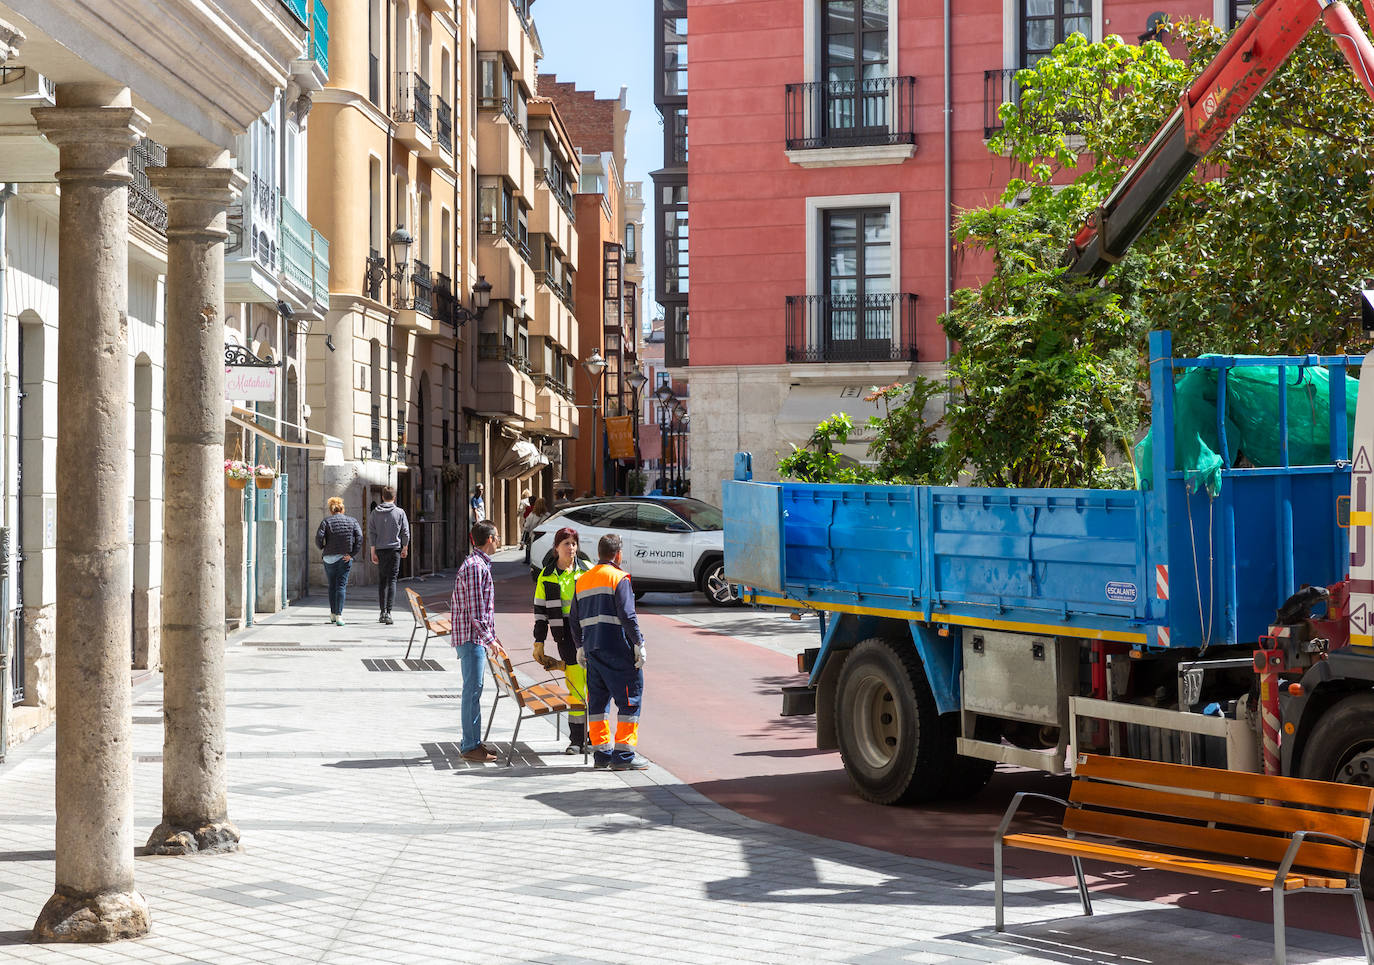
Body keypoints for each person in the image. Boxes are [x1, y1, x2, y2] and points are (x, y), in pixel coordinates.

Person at [570, 533, 650, 771]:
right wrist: (639, 642)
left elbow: (574, 618)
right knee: (630, 701)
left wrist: (579, 646)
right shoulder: (619, 578)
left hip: (593, 651)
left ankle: (602, 754)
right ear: (618, 553)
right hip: (617, 649)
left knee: (598, 703)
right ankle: (623, 757)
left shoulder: (583, 579)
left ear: (599, 553)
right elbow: (627, 614)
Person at [532, 527, 592, 752]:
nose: (572, 548)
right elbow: (540, 612)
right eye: (566, 543)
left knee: (594, 684)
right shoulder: (546, 575)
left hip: (589, 633)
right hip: (565, 636)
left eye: (574, 543)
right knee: (576, 685)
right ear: (556, 548)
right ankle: (577, 739)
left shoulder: (587, 570)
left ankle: (594, 736)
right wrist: (539, 641)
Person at [452, 519, 501, 763]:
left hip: (474, 639)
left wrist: (491, 638)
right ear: (490, 539)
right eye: (498, 536)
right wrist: (490, 640)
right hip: (472, 639)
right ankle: (470, 744)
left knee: (474, 690)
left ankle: (473, 741)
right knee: (472, 691)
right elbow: (475, 612)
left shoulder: (478, 564)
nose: (499, 540)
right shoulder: (475, 567)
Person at [316, 496, 362, 626]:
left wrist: (323, 548)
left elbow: (318, 538)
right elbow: (360, 538)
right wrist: (352, 554)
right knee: (341, 585)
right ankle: (339, 616)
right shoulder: (352, 521)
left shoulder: (326, 521)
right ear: (342, 509)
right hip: (344, 558)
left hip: (329, 558)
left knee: (332, 585)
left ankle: (332, 614)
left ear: (331, 510)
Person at [368, 485, 410, 625]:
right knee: (392, 580)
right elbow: (405, 532)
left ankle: (381, 612)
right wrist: (405, 547)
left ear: (382, 497)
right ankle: (389, 612)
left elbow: (372, 533)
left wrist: (372, 551)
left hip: (380, 549)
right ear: (394, 497)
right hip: (394, 550)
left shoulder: (375, 513)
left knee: (382, 581)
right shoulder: (400, 512)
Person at [522, 496, 548, 565]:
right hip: (544, 537)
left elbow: (526, 526)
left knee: (534, 552)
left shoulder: (532, 515)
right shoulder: (548, 515)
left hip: (534, 536)